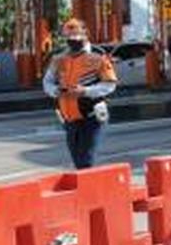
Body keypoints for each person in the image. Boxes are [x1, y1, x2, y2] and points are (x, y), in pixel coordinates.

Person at [42, 18, 117, 169]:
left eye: (76, 37)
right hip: (69, 117)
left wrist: (85, 91)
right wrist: (55, 91)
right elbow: (47, 82)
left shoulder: (98, 56)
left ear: (85, 34)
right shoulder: (59, 58)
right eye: (68, 38)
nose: (72, 41)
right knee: (77, 159)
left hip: (92, 115)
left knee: (85, 160)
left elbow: (109, 85)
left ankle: (91, 190)